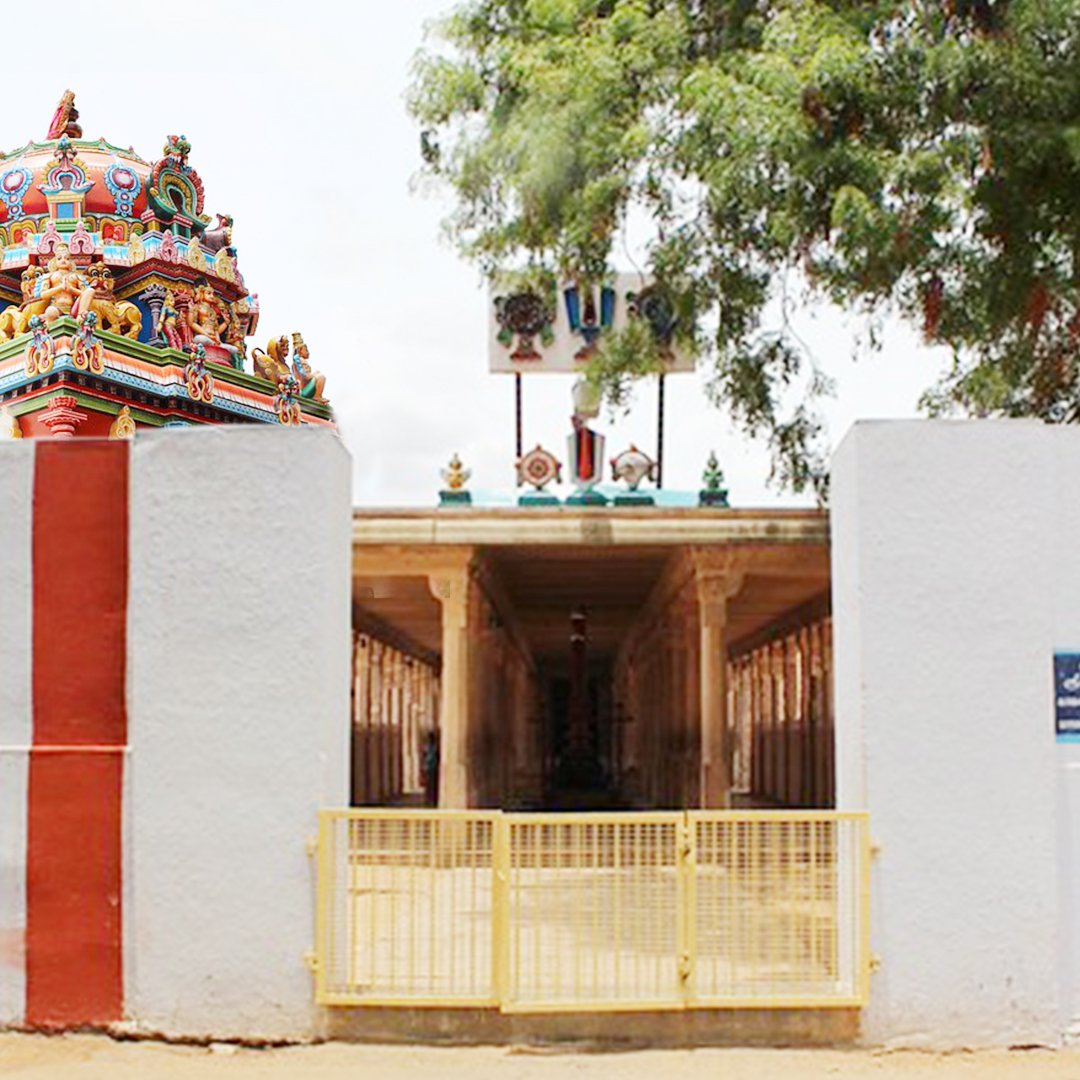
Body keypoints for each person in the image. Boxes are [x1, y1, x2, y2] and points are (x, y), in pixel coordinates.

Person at [422, 730, 440, 807]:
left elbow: (424, 757)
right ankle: (431, 800)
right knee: (431, 785)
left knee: (429, 785)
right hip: (432, 767)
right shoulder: (434, 747)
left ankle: (429, 800)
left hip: (430, 767)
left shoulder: (428, 747)